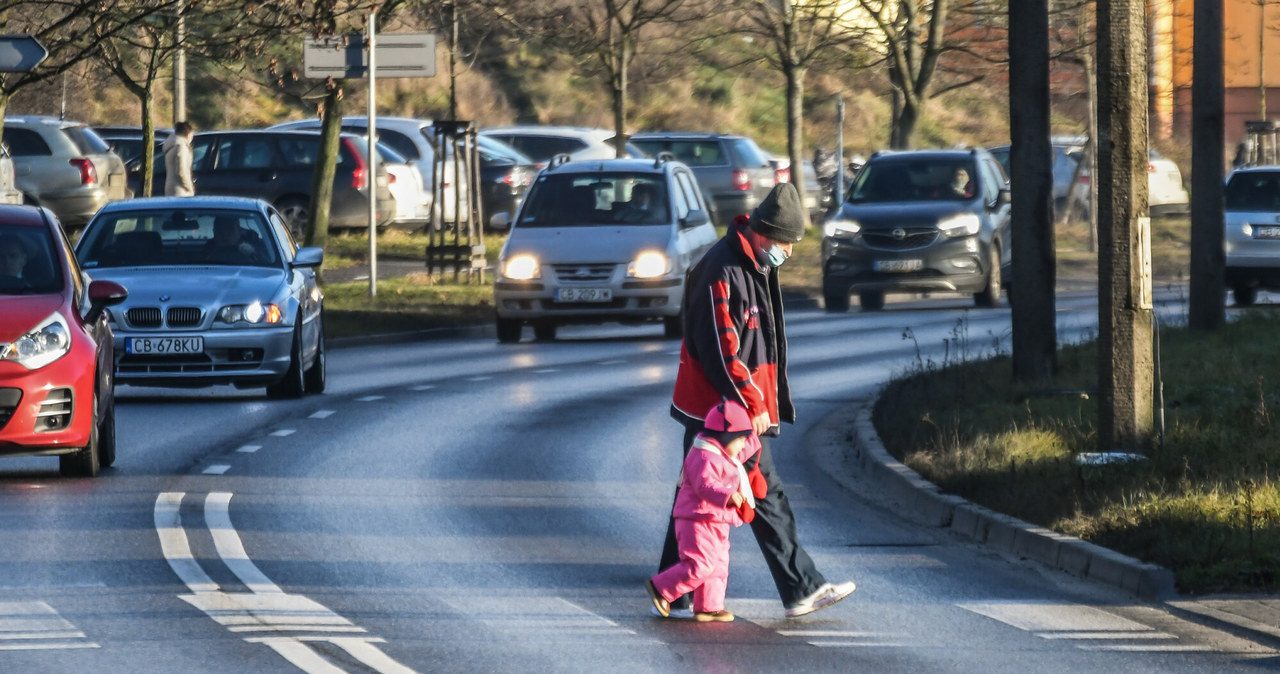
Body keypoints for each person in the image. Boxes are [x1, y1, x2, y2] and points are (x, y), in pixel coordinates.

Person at [657, 182, 856, 620]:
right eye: (786, 242)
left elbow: (758, 344)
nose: (788, 251)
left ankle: (672, 587)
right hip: (721, 412)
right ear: (764, 232)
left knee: (697, 495)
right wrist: (753, 403)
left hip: (728, 409)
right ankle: (801, 587)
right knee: (766, 495)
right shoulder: (719, 271)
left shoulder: (755, 266)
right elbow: (723, 351)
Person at [646, 400, 763, 623]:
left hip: (717, 520)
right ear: (725, 438)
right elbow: (705, 485)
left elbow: (744, 450)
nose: (741, 446)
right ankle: (661, 589)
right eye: (739, 440)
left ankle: (709, 607)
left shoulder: (725, 454)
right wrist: (728, 496)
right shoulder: (703, 456)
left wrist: (755, 437)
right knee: (699, 564)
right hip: (696, 520)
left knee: (719, 564)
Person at [164, 121, 195, 197]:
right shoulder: (182, 147)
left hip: (170, 188)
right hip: (181, 191)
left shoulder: (171, 146)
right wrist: (190, 189)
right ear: (188, 134)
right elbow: (181, 172)